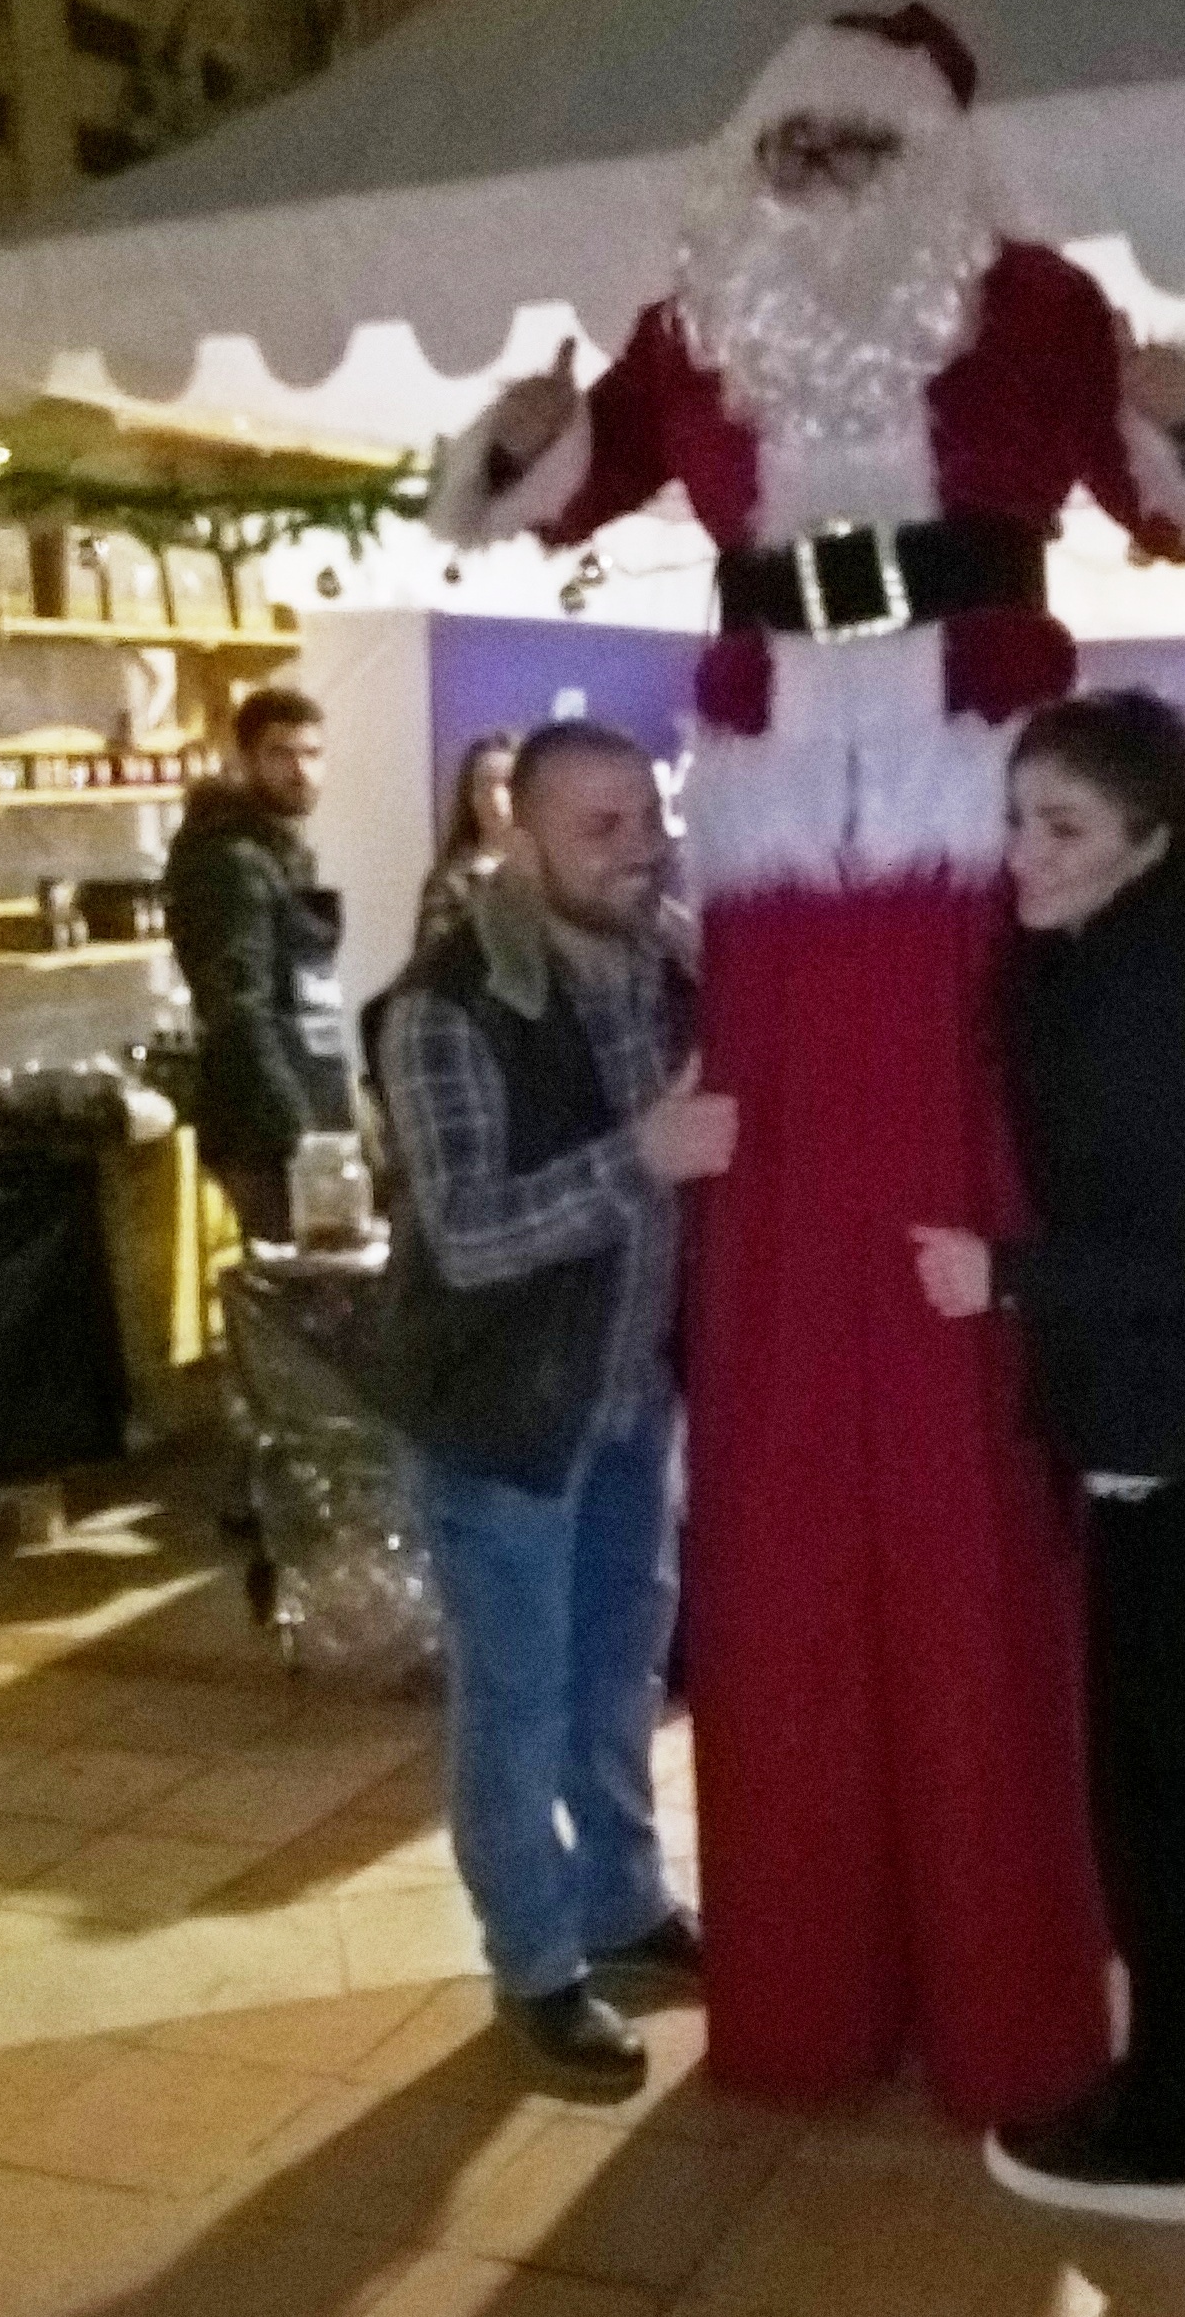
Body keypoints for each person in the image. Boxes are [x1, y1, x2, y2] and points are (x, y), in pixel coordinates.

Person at [429, 4, 1185, 2127]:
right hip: (784, 834)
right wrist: (518, 442)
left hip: (969, 807)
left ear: (929, 156)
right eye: (785, 141)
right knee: (793, 1344)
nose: (812, 175)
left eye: (849, 142)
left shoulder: (1035, 309)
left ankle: (1004, 1967)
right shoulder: (693, 333)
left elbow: (1174, 508)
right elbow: (531, 493)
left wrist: (1184, 426)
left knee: (964, 1312)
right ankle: (803, 1962)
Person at [912, 691, 1185, 2223]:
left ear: (1148, 841)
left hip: (1179, 1420)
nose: (1024, 852)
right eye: (1017, 818)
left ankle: (1163, 2128)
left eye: (1065, 825)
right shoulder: (1145, 956)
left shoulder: (1137, 993)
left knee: (1155, 1775)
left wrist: (1007, 1273)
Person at [368, 720, 735, 2089]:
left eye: (649, 816)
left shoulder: (669, 962)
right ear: (519, 838)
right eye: (601, 827)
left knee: (618, 1670)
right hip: (504, 1412)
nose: (641, 849)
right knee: (517, 1699)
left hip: (630, 1396)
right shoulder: (447, 1003)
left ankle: (622, 1904)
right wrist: (645, 1155)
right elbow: (467, 1234)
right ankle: (533, 1960)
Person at [163, 686, 352, 1244]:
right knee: (303, 1278)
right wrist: (299, 1134)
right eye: (281, 754)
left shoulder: (274, 851)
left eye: (312, 753)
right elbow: (239, 1010)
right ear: (245, 760)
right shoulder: (230, 860)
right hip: (267, 1125)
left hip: (302, 1098)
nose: (300, 771)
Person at [415, 731, 519, 949]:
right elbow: (433, 959)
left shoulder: (552, 874)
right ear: (469, 796)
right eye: (485, 785)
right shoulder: (450, 882)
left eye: (508, 784)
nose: (496, 799)